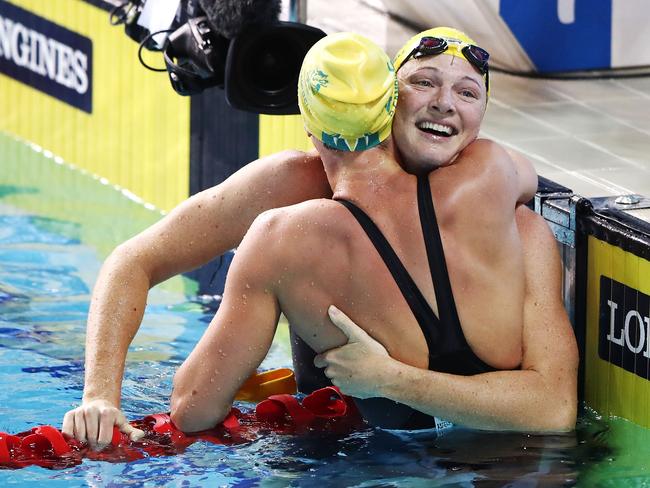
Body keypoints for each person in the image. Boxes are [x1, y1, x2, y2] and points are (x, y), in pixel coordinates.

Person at [62, 27, 577, 448]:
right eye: (425, 84)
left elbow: (554, 407)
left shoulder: (513, 219)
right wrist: (100, 395)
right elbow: (133, 260)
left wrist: (390, 379)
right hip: (336, 446)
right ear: (389, 100)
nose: (444, 105)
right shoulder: (291, 187)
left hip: (416, 459)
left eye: (467, 93)